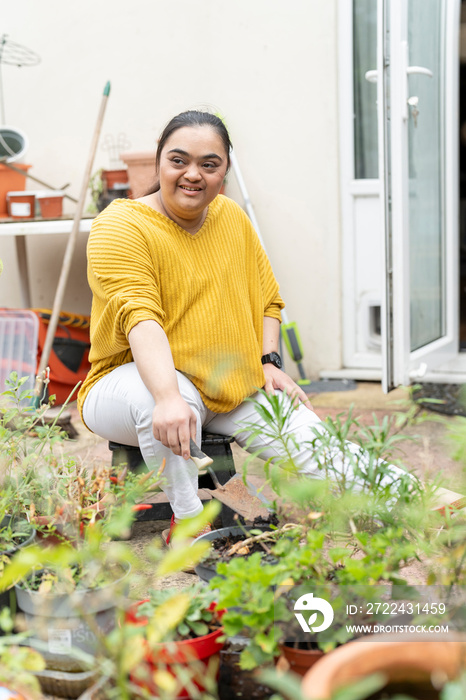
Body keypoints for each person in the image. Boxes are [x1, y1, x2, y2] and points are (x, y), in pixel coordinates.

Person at [77, 110, 456, 544]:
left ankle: (421, 500)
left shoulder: (232, 219)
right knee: (166, 396)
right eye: (178, 160)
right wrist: (165, 396)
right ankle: (188, 521)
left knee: (310, 440)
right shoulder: (121, 224)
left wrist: (269, 361)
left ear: (225, 171)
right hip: (124, 388)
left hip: (224, 387)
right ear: (160, 161)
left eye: (209, 163)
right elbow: (139, 316)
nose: (192, 175)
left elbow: (268, 300)